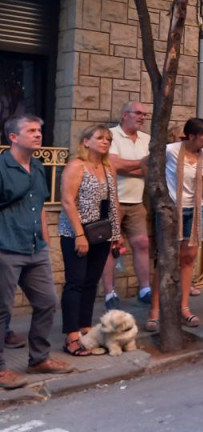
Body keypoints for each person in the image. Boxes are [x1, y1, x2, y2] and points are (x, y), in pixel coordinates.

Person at [0, 115, 73, 388]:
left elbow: (40, 204)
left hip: (35, 249)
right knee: (2, 310)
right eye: (30, 130)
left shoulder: (39, 166)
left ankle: (39, 359)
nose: (37, 134)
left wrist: (45, 238)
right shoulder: (2, 166)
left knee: (46, 302)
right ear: (13, 137)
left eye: (39, 130)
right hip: (5, 247)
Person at [59, 125, 121, 357]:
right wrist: (79, 234)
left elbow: (113, 202)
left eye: (108, 138)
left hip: (101, 233)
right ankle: (71, 334)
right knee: (75, 281)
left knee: (91, 281)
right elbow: (67, 202)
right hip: (77, 232)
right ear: (86, 141)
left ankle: (85, 327)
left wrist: (116, 234)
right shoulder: (76, 166)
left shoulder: (107, 167)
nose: (105, 141)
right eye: (100, 138)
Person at [164, 118, 203, 328]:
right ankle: (157, 310)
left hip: (195, 209)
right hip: (172, 208)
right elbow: (149, 166)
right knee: (165, 259)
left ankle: (184, 307)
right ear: (192, 136)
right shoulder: (170, 150)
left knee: (188, 258)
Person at [103, 101, 152, 311]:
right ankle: (109, 292)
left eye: (144, 114)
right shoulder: (110, 135)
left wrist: (127, 166)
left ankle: (145, 290)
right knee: (111, 247)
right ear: (125, 115)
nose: (142, 117)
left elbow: (149, 169)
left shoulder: (147, 139)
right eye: (138, 113)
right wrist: (140, 164)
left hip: (137, 201)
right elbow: (112, 165)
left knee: (142, 243)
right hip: (112, 201)